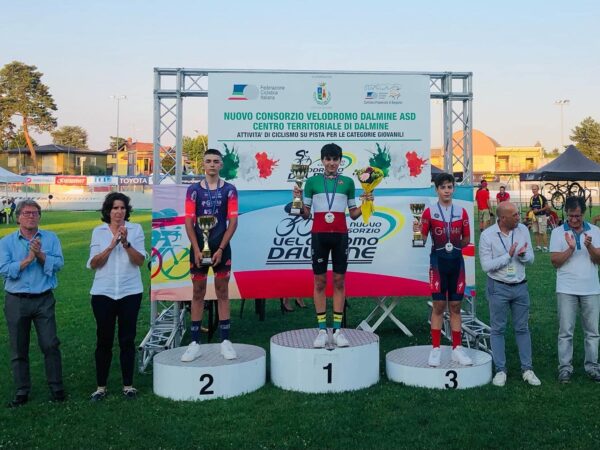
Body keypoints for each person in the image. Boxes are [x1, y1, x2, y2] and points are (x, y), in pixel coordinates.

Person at [294, 143, 371, 348]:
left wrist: (366, 203)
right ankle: (321, 330)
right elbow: (306, 214)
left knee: (339, 281)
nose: (331, 163)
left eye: (335, 159)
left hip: (340, 236)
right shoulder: (312, 182)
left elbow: (353, 214)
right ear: (322, 161)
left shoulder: (348, 183)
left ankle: (337, 330)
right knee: (319, 282)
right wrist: (298, 201)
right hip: (319, 236)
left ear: (340, 161)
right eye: (327, 159)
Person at [0, 199, 65, 407]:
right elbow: (3, 269)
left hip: (43, 299)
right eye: (26, 213)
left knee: (50, 344)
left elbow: (59, 264)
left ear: (39, 217)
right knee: (18, 347)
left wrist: (40, 255)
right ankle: (22, 390)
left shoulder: (51, 238)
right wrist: (29, 258)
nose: (31, 216)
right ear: (18, 217)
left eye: (35, 213)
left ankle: (56, 387)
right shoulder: (6, 242)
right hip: (16, 301)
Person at [87, 192, 146, 401]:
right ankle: (100, 387)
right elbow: (94, 263)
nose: (119, 212)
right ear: (108, 211)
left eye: (122, 208)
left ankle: (128, 386)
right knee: (104, 339)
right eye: (115, 208)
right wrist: (112, 245)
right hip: (103, 293)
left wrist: (126, 244)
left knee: (127, 339)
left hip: (130, 292)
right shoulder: (99, 231)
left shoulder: (136, 229)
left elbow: (140, 261)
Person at [181, 149, 239, 362]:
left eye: (216, 161)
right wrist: (196, 249)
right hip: (199, 249)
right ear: (203, 164)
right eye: (208, 161)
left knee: (222, 292)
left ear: (221, 165)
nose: (212, 164)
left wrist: (221, 248)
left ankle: (225, 341)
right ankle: (195, 343)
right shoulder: (193, 190)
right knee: (198, 292)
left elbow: (233, 221)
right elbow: (189, 221)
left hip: (222, 248)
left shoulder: (230, 190)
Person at [479, 201, 541, 387]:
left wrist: (523, 256)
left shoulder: (522, 230)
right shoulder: (487, 235)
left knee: (522, 328)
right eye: (514, 215)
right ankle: (500, 370)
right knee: (498, 329)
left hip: (520, 286)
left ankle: (527, 369)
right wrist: (508, 256)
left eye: (518, 214)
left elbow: (531, 258)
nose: (518, 217)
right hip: (498, 287)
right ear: (503, 218)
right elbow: (486, 266)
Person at [417, 172, 473, 366]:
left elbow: (466, 239)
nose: (447, 190)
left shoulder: (462, 212)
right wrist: (417, 230)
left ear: (454, 189)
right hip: (438, 263)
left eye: (450, 187)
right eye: (443, 187)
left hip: (456, 263)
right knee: (439, 305)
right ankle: (435, 349)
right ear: (436, 190)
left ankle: (457, 348)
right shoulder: (429, 212)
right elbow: (421, 239)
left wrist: (453, 247)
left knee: (456, 306)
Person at [549, 196, 600, 383]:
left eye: (577, 216)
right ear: (566, 213)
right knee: (565, 332)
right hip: (566, 288)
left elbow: (598, 259)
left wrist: (590, 246)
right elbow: (555, 262)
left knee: (592, 332)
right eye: (570, 216)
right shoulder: (558, 232)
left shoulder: (595, 231)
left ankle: (592, 367)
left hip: (591, 288)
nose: (573, 220)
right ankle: (565, 369)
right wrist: (570, 249)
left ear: (583, 214)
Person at [529, 185, 550, 251]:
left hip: (541, 216)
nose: (533, 190)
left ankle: (545, 247)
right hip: (534, 217)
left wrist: (538, 210)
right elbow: (530, 207)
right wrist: (531, 211)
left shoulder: (542, 197)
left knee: (542, 232)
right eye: (533, 189)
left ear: (538, 189)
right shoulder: (532, 198)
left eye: (535, 189)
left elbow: (547, 207)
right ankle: (538, 246)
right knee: (535, 232)